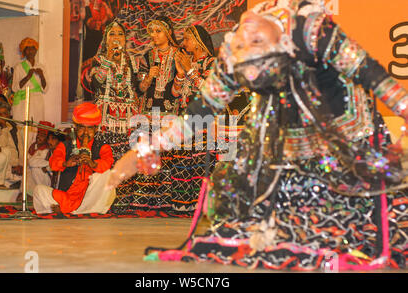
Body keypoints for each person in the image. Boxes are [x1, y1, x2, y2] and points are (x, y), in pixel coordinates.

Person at [107, 0, 408, 270]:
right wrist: (148, 148)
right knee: (252, 228)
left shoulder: (314, 30)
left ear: (283, 48)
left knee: (346, 229)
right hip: (283, 134)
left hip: (344, 130)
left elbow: (374, 77)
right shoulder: (235, 52)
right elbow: (201, 111)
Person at [129, 15, 179, 211]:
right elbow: (140, 88)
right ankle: (145, 199)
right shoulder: (147, 56)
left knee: (165, 153)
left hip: (169, 108)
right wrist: (149, 76)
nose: (154, 35)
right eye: (151, 32)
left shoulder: (178, 55)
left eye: (158, 31)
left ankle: (165, 200)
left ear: (167, 32)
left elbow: (182, 85)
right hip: (149, 108)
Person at [89, 20, 140, 211]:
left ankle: (124, 201)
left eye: (120, 34)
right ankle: (103, 199)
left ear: (125, 39)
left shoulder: (133, 61)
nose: (116, 38)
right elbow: (95, 85)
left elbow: (138, 88)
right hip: (105, 116)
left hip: (127, 116)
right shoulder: (99, 59)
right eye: (112, 34)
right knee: (106, 155)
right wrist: (109, 61)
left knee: (125, 157)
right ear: (106, 39)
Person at [168, 24, 217, 212]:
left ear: (198, 42)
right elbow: (174, 93)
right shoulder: (187, 61)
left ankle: (200, 205)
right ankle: (182, 205)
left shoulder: (211, 63)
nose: (183, 42)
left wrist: (190, 71)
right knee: (181, 161)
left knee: (199, 163)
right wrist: (180, 74)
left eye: (187, 38)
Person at [33, 103, 115, 214]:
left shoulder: (102, 147)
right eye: (82, 128)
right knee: (39, 190)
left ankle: (71, 210)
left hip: (89, 196)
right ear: (76, 128)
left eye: (90, 128)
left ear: (96, 129)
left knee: (106, 175)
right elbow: (53, 163)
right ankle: (71, 209)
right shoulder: (65, 145)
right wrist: (66, 163)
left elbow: (107, 162)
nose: (86, 133)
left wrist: (92, 163)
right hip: (67, 196)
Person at [11, 37, 47, 141]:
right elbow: (14, 88)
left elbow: (45, 88)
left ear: (36, 50)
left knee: (36, 126)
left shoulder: (41, 67)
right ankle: (23, 154)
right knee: (23, 127)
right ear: (24, 51)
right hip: (23, 101)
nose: (30, 51)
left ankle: (34, 152)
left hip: (37, 101)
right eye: (28, 49)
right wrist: (27, 76)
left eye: (33, 48)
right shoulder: (18, 67)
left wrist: (42, 76)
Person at [0, 101, 23, 189]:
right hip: (6, 167)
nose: (1, 116)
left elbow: (21, 149)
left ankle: (19, 184)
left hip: (17, 167)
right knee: (3, 154)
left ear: (8, 116)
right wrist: (3, 128)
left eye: (4, 114)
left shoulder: (14, 129)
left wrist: (21, 165)